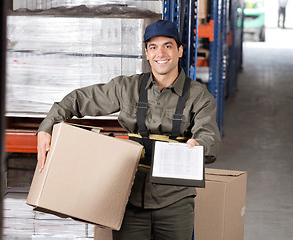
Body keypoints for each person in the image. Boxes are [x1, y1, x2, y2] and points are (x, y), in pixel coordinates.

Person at [37, 19, 221, 240]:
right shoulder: (127, 88)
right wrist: (46, 127)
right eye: (153, 47)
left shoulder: (199, 96)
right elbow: (77, 100)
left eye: (168, 46)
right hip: (129, 195)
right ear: (146, 53)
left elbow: (209, 136)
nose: (160, 53)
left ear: (180, 50)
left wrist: (198, 144)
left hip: (176, 199)